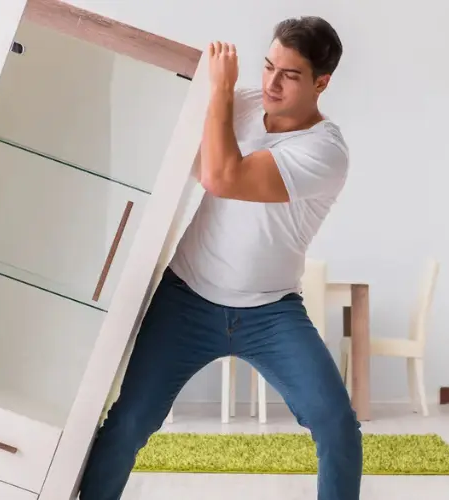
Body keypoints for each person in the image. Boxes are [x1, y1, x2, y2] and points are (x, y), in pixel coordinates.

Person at [77, 16, 360, 500]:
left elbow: (223, 178)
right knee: (130, 421)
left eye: (290, 75)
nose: (271, 83)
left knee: (336, 425)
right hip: (186, 298)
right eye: (268, 66)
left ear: (321, 82)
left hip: (271, 313)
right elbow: (175, 144)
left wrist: (222, 90)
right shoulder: (240, 104)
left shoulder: (324, 150)